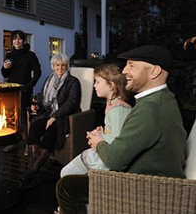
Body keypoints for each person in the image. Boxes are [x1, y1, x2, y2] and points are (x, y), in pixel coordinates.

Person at [56, 45, 187, 214]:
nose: (124, 71)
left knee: (66, 187)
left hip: (143, 188)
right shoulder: (163, 99)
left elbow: (114, 160)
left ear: (154, 72)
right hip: (149, 179)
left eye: (132, 65)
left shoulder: (150, 108)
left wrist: (99, 142)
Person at [59, 63, 132, 177]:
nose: (94, 86)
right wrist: (102, 132)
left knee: (66, 173)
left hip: (105, 158)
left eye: (97, 82)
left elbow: (118, 142)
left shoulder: (118, 109)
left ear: (111, 86)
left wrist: (98, 138)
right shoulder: (113, 104)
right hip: (103, 152)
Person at [21, 53, 81, 188]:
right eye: (57, 65)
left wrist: (55, 116)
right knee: (35, 127)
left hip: (64, 116)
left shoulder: (73, 82)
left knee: (50, 132)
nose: (60, 68)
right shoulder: (49, 80)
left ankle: (31, 171)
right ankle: (33, 170)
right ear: (53, 67)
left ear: (67, 66)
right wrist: (36, 105)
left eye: (63, 65)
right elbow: (42, 98)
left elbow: (72, 102)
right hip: (48, 114)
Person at [1, 30, 41, 152]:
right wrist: (4, 67)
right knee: (10, 115)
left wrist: (29, 86)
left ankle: (26, 141)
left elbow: (38, 73)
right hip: (11, 90)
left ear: (23, 41)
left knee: (22, 117)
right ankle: (13, 140)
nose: (17, 41)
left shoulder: (30, 55)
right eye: (14, 39)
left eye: (19, 39)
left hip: (24, 90)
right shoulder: (9, 55)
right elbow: (4, 74)